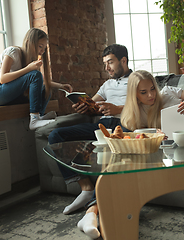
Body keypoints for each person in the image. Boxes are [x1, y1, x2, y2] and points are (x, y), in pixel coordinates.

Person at [47, 44, 131, 223]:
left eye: (110, 62)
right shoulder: (107, 84)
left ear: (123, 61)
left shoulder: (138, 79)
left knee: (112, 152)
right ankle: (85, 188)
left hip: (123, 126)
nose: (106, 68)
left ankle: (96, 205)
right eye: (105, 64)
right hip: (101, 126)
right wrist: (82, 107)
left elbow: (147, 104)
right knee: (55, 136)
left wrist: (117, 108)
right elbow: (93, 104)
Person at [0, 28, 72, 130]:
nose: (42, 51)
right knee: (35, 74)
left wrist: (61, 86)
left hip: (7, 92)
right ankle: (34, 119)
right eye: (40, 46)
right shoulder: (13, 52)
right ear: (29, 42)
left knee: (45, 89)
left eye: (44, 48)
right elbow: (3, 78)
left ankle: (38, 116)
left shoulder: (29, 60)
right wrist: (28, 69)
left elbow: (41, 82)